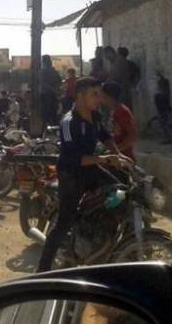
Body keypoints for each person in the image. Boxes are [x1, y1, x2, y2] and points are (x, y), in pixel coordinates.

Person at [37, 77, 122, 273]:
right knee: (64, 223)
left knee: (119, 192)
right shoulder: (69, 122)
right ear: (80, 96)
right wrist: (105, 159)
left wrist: (118, 155)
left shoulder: (95, 116)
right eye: (94, 95)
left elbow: (105, 137)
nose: (99, 99)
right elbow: (73, 158)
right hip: (71, 173)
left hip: (90, 168)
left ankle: (101, 242)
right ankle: (42, 270)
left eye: (99, 94)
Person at [101, 81, 137, 160]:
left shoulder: (121, 111)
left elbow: (132, 136)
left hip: (123, 156)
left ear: (108, 96)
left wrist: (116, 150)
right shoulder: (110, 111)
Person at [105, 46, 133, 110]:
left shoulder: (119, 61)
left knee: (124, 110)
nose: (107, 58)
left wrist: (109, 80)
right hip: (120, 92)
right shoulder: (114, 62)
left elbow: (117, 77)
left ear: (110, 52)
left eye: (107, 56)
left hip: (123, 91)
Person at [40, 55, 63, 126]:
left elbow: (42, 83)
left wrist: (51, 88)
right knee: (53, 114)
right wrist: (55, 90)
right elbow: (60, 82)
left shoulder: (42, 71)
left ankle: (46, 128)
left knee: (45, 115)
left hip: (45, 95)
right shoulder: (55, 72)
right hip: (53, 95)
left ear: (43, 62)